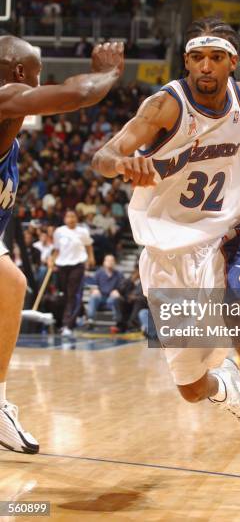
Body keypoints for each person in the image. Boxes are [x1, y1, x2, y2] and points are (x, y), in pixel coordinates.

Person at [92, 16, 240, 513]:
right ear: (187, 62)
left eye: (216, 56)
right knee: (192, 388)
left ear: (232, 62)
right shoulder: (164, 105)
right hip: (167, 255)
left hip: (227, 238)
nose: (206, 66)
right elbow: (102, 156)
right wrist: (122, 163)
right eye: (197, 56)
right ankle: (223, 388)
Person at [0, 36, 124, 456]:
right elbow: (75, 94)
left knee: (12, 285)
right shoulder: (7, 95)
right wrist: (108, 72)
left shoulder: (9, 128)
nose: (40, 80)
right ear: (20, 73)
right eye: (37, 71)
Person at [51, 210, 95, 337]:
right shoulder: (59, 232)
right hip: (62, 265)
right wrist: (52, 260)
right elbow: (56, 249)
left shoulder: (83, 231)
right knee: (65, 295)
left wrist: (91, 257)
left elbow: (89, 245)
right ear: (64, 219)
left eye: (73, 216)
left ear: (77, 218)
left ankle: (68, 325)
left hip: (78, 264)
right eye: (68, 216)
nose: (71, 219)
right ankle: (83, 315)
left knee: (73, 295)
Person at [87, 254, 124, 326]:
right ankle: (90, 319)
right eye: (108, 260)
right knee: (94, 296)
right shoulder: (98, 273)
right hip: (100, 297)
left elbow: (123, 287)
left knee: (116, 297)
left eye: (112, 260)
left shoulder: (119, 274)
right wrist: (94, 290)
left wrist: (118, 291)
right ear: (104, 262)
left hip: (111, 299)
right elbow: (92, 286)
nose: (110, 262)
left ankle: (117, 321)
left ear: (114, 262)